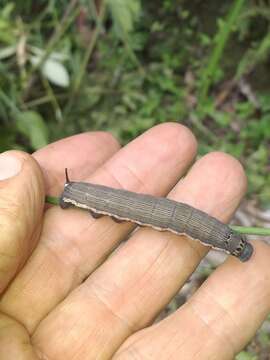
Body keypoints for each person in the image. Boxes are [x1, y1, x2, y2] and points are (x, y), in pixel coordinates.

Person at [0, 123, 268, 360]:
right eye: (236, 246)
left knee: (175, 214)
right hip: (97, 199)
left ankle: (78, 192)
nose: (237, 247)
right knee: (157, 210)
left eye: (235, 247)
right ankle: (78, 193)